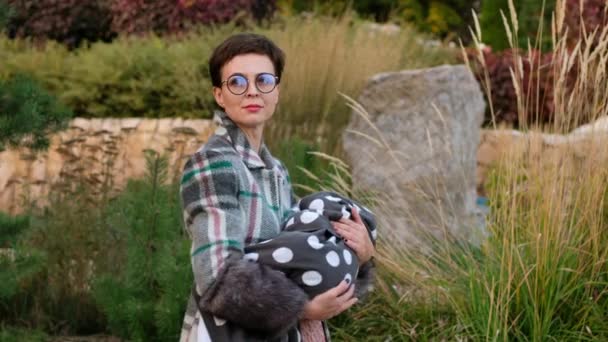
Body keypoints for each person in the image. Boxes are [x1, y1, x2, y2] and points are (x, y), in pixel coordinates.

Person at [179, 33, 376, 342]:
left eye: (264, 80)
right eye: (237, 82)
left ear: (277, 91)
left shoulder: (275, 170)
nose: (252, 92)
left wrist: (360, 253)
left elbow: (300, 256)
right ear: (219, 95)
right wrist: (301, 309)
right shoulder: (213, 164)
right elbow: (216, 277)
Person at [244, 191, 378, 299]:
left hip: (299, 283)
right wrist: (302, 310)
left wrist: (364, 257)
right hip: (274, 299)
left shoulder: (277, 169)